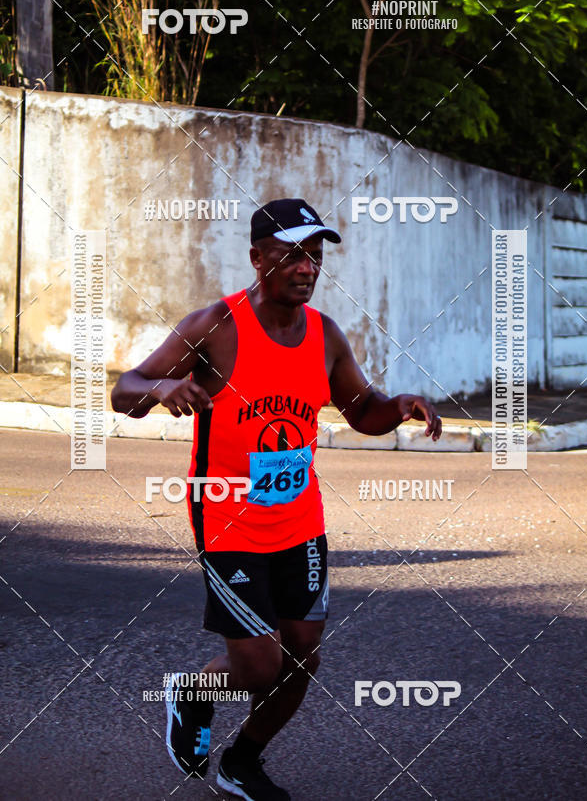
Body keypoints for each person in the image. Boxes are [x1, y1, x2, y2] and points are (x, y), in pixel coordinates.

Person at [111, 198, 442, 800]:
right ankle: (195, 694)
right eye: (292, 255)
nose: (306, 268)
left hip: (301, 519)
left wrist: (397, 408)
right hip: (228, 516)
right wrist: (162, 386)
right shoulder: (215, 326)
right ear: (257, 257)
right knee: (259, 666)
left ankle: (242, 762)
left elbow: (360, 408)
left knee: (302, 658)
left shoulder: (326, 336)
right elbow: (123, 391)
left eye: (314, 257)